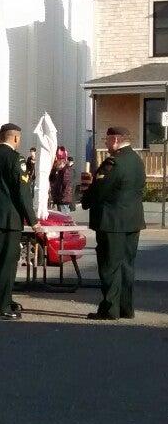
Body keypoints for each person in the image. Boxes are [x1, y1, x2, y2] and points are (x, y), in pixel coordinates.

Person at [81, 125, 146, 320]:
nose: (106, 144)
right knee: (127, 266)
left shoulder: (113, 163)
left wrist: (86, 197)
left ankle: (110, 309)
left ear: (116, 140)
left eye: (107, 140)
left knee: (110, 267)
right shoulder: (137, 160)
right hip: (133, 221)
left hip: (112, 222)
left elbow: (100, 190)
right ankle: (126, 308)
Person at [0, 122, 39, 320]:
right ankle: (1, 307)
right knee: (5, 265)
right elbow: (22, 193)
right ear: (14, 138)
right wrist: (33, 221)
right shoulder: (15, 159)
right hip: (8, 221)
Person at [49, 146, 74, 211]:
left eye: (57, 161)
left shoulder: (65, 171)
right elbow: (52, 180)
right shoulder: (59, 170)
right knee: (62, 216)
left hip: (63, 199)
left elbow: (66, 185)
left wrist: (61, 197)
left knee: (64, 216)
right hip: (59, 198)